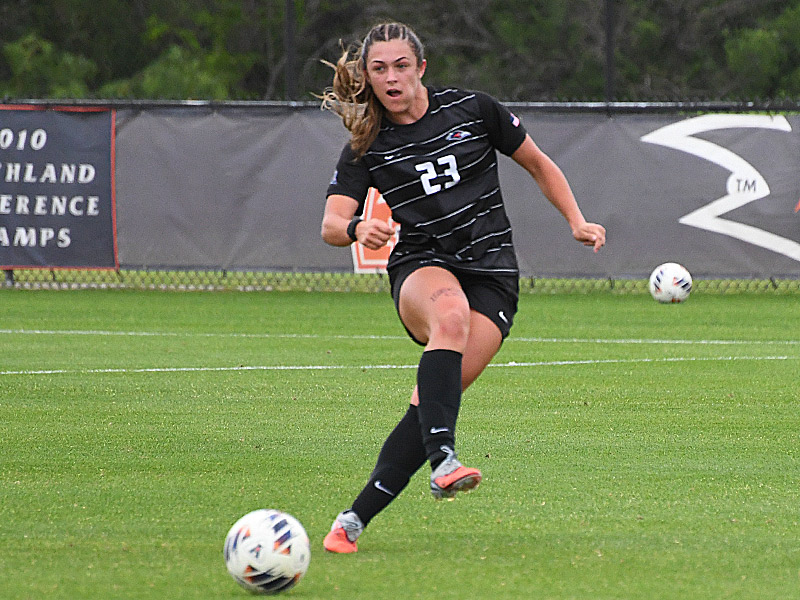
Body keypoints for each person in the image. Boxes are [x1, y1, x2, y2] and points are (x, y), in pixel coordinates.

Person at [319, 22, 606, 554]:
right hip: (422, 267)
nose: (391, 78)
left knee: (427, 404)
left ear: (421, 67)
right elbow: (332, 225)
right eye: (378, 69)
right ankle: (444, 460)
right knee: (448, 315)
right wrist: (359, 227)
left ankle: (351, 523)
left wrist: (577, 220)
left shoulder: (474, 110)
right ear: (366, 76)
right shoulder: (367, 145)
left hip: (494, 277)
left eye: (401, 65)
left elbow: (538, 164)